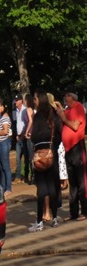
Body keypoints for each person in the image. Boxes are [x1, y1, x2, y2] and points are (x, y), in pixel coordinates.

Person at [28, 90, 63, 231]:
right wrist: (53, 144)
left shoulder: (37, 117)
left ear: (39, 100)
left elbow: (34, 136)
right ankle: (54, 218)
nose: (34, 101)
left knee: (42, 188)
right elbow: (59, 134)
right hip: (51, 152)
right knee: (52, 187)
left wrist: (33, 137)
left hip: (40, 153)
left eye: (35, 98)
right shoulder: (52, 115)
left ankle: (39, 221)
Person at [55, 90, 87, 221]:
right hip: (68, 149)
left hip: (77, 147)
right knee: (72, 181)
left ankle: (84, 211)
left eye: (66, 95)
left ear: (72, 97)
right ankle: (73, 212)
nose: (64, 97)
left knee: (81, 181)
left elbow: (74, 126)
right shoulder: (67, 109)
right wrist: (60, 112)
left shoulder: (78, 107)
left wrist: (62, 116)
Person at [0, 98, 13, 196]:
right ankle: (3, 186)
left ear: (3, 107)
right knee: (1, 167)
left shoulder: (5, 117)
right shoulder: (1, 117)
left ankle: (8, 188)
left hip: (3, 143)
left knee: (5, 167)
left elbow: (5, 131)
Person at [13, 94, 32, 184]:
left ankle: (27, 175)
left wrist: (24, 133)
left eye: (17, 100)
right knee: (17, 158)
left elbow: (27, 122)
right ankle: (18, 176)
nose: (15, 102)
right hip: (18, 136)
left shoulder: (25, 110)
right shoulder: (16, 111)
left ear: (21, 101)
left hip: (24, 135)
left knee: (27, 157)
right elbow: (17, 123)